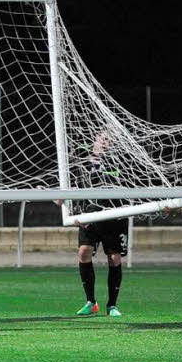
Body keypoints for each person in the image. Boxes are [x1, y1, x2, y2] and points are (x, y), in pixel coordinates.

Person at [68, 130, 127, 317]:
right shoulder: (81, 162)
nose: (107, 142)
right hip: (89, 217)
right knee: (84, 252)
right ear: (96, 139)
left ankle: (112, 306)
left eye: (111, 140)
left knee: (114, 258)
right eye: (104, 138)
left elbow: (127, 187)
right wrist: (74, 213)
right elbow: (74, 188)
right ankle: (91, 302)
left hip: (113, 217)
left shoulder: (119, 163)